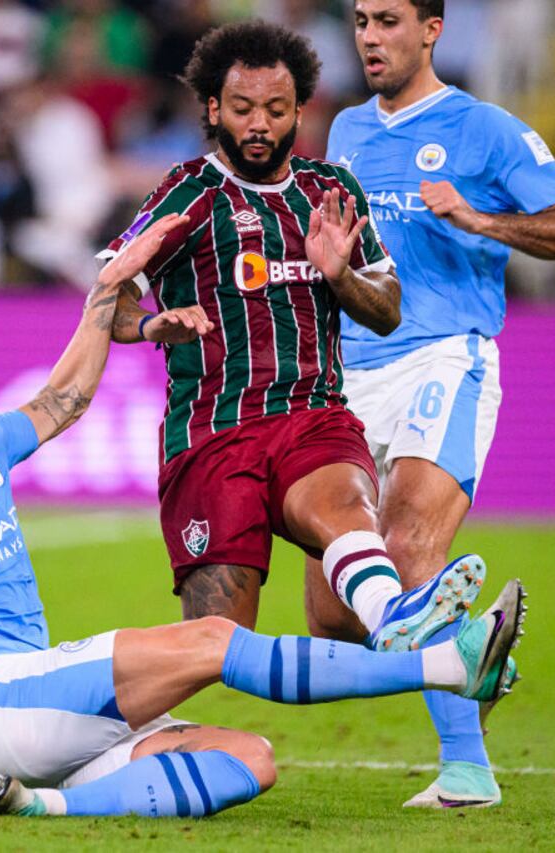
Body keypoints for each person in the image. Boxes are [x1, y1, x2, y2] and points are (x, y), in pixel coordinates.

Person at [0, 211, 527, 818]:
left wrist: (106, 298)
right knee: (212, 643)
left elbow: (64, 397)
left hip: (47, 710)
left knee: (250, 760)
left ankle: (41, 807)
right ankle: (448, 664)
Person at [104, 20, 484, 670]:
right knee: (216, 648)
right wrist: (147, 324)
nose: (260, 124)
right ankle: (96, 713)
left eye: (276, 110)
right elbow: (109, 297)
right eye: (245, 108)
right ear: (214, 108)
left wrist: (339, 273)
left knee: (344, 504)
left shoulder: (330, 193)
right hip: (214, 432)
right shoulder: (187, 192)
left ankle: (396, 615)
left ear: (299, 110)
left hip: (313, 417)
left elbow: (388, 310)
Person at [314, 0, 555, 809]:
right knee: (335, 616)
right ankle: (473, 647)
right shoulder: (345, 132)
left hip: (445, 354)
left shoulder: (486, 130)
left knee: (407, 552)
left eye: (387, 20)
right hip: (350, 375)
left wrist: (477, 216)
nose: (369, 36)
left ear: (433, 29)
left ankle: (467, 770)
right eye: (360, 21)